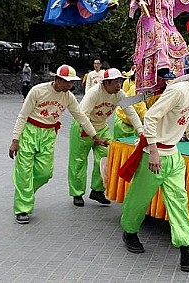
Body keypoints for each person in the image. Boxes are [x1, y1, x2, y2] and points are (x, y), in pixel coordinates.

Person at [118, 57, 189, 272]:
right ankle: (129, 232)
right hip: (154, 155)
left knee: (179, 203)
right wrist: (154, 153)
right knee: (139, 199)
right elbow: (150, 117)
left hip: (174, 157)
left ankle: (188, 252)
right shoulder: (178, 91)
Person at [8, 64, 108, 225]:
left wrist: (95, 136)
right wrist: (15, 140)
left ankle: (24, 191)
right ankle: (22, 209)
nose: (70, 85)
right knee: (24, 171)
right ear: (57, 79)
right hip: (29, 132)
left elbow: (81, 116)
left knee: (45, 173)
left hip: (49, 135)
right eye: (66, 81)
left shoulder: (68, 97)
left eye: (71, 82)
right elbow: (22, 116)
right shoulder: (37, 91)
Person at [68, 68, 142, 207]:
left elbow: (131, 112)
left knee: (106, 157)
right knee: (78, 161)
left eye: (120, 81)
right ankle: (77, 193)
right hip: (83, 126)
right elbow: (83, 116)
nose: (119, 85)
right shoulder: (94, 93)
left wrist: (141, 132)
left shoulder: (119, 94)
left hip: (101, 127)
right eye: (115, 82)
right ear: (106, 83)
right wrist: (94, 136)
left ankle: (97, 190)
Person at [113, 67, 148, 139]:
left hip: (136, 122)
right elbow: (140, 110)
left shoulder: (156, 90)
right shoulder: (136, 88)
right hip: (124, 120)